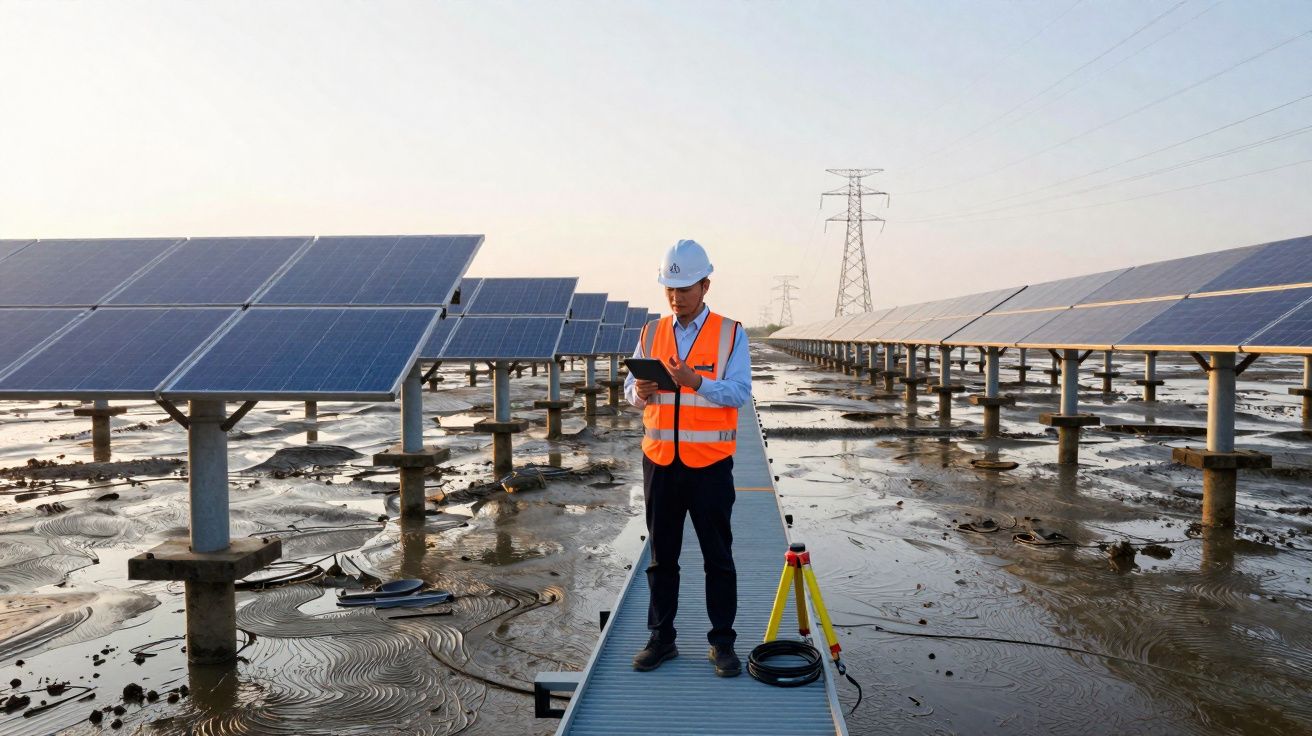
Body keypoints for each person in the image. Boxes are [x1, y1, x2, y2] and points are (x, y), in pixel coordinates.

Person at [624, 239, 753, 678]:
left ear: (705, 285)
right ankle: (662, 639)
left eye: (684, 288)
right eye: (670, 288)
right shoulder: (649, 333)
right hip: (660, 461)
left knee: (718, 557)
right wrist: (638, 393)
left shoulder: (731, 333)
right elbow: (630, 393)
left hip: (710, 465)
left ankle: (722, 644)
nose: (676, 297)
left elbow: (739, 392)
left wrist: (696, 381)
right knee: (662, 557)